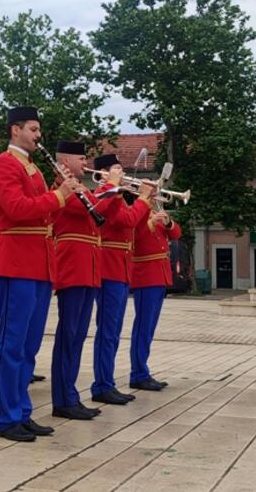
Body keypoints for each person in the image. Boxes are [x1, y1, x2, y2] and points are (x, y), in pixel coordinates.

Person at [0, 106, 78, 442]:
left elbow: (45, 214)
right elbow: (16, 209)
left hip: (39, 263)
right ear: (15, 130)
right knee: (13, 344)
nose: (38, 135)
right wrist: (58, 195)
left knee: (29, 345)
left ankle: (22, 412)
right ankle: (7, 417)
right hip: (17, 262)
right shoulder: (5, 163)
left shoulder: (33, 168)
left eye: (38, 130)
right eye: (33, 129)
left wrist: (61, 192)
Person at [49, 140, 106, 421]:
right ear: (65, 161)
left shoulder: (81, 188)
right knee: (68, 335)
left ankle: (70, 395)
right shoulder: (61, 188)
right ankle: (62, 399)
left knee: (79, 335)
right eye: (81, 158)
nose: (86, 163)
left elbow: (99, 215)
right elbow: (86, 210)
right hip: (73, 267)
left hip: (88, 268)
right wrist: (110, 186)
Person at [90, 154, 152, 406]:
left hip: (121, 268)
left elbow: (134, 226)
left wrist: (148, 202)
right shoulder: (106, 196)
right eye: (117, 169)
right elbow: (126, 220)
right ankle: (102, 385)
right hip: (109, 268)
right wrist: (144, 199)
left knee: (114, 331)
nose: (123, 174)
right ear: (104, 173)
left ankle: (107, 382)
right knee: (107, 331)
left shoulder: (118, 198)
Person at [129, 204, 181, 391]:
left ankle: (142, 371)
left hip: (159, 274)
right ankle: (138, 374)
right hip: (146, 275)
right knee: (143, 327)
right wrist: (151, 221)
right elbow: (135, 237)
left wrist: (167, 222)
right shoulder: (136, 212)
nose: (155, 196)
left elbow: (176, 234)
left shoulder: (156, 213)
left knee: (149, 327)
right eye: (152, 193)